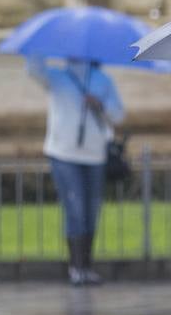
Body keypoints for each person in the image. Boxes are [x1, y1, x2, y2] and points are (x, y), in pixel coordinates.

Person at [28, 57, 125, 286]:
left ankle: (86, 266)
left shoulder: (102, 80)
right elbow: (33, 68)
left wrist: (100, 104)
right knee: (75, 208)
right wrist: (37, 46)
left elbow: (118, 114)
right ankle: (76, 267)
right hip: (64, 154)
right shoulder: (57, 77)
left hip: (95, 155)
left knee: (90, 211)